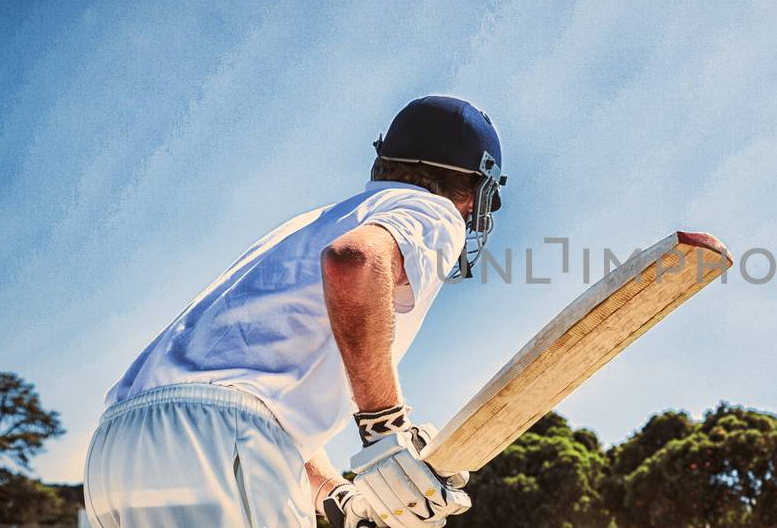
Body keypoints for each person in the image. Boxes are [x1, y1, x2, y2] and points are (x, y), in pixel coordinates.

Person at [83, 95, 509, 527]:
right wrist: (385, 427)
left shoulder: (310, 224)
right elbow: (355, 260)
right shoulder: (430, 210)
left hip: (116, 454)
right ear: (475, 188)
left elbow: (255, 393)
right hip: (217, 442)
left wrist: (337, 498)